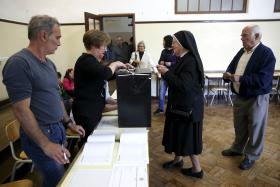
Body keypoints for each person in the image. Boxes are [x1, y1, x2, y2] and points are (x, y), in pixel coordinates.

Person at [2, 15, 85, 187]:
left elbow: (56, 98)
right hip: (41, 133)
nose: (60, 43)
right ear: (43, 35)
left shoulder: (49, 64)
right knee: (58, 179)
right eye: (58, 37)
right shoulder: (19, 63)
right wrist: (46, 144)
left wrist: (68, 123)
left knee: (60, 178)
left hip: (57, 129)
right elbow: (21, 110)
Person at [221, 25, 276, 170]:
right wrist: (227, 75)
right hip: (240, 96)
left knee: (256, 128)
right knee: (239, 126)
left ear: (257, 36)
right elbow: (231, 67)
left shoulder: (266, 54)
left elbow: (263, 80)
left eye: (245, 35)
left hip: (256, 98)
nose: (241, 38)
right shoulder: (241, 51)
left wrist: (239, 78)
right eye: (242, 35)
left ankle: (251, 156)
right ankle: (237, 148)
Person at [72, 30, 133, 147]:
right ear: (95, 46)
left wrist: (118, 70)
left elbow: (100, 78)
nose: (105, 50)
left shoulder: (92, 61)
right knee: (89, 143)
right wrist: (115, 64)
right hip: (86, 113)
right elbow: (104, 73)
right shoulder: (86, 60)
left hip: (92, 110)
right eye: (103, 46)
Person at [157, 30, 205, 178]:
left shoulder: (190, 60)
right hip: (180, 106)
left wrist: (166, 73)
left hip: (188, 108)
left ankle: (197, 170)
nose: (172, 46)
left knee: (187, 138)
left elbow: (183, 85)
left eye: (175, 43)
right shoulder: (183, 58)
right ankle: (178, 160)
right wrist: (168, 71)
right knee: (178, 134)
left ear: (184, 44)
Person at [153, 35, 177, 115]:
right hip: (164, 76)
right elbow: (160, 60)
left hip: (172, 76)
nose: (162, 43)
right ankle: (161, 109)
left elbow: (179, 63)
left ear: (167, 42)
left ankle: (170, 110)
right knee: (161, 93)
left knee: (171, 94)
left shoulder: (175, 51)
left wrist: (171, 64)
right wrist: (161, 62)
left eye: (163, 41)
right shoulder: (163, 51)